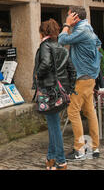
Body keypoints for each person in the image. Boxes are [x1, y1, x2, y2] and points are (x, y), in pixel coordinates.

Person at [58, 6, 102, 161]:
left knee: (73, 112)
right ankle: (95, 148)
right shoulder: (88, 28)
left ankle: (79, 150)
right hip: (89, 77)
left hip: (82, 77)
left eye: (69, 15)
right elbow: (98, 43)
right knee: (90, 111)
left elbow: (61, 40)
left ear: (75, 17)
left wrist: (67, 24)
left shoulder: (82, 30)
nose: (67, 17)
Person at [33, 19, 77, 170]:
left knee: (54, 127)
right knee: (53, 125)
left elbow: (45, 64)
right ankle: (50, 158)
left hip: (49, 92)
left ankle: (61, 161)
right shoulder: (61, 47)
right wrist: (69, 90)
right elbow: (72, 70)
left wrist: (38, 75)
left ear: (43, 32)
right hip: (61, 93)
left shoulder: (45, 45)